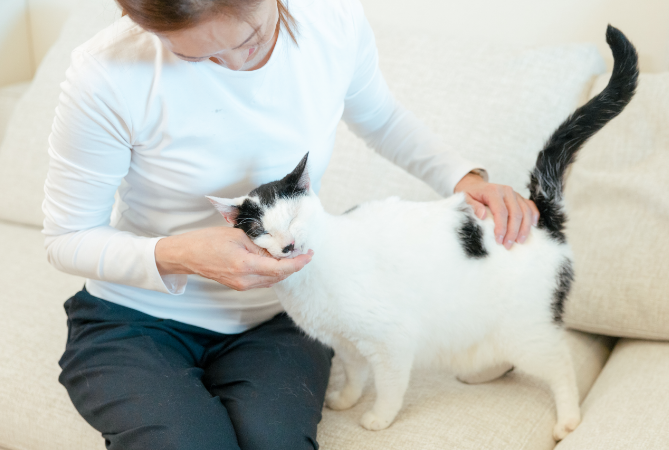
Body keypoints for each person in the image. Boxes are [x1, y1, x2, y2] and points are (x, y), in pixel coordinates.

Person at [43, 0, 540, 448]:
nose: (233, 65)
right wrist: (181, 255)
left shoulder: (331, 18)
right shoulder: (105, 72)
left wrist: (463, 178)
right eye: (196, 57)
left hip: (285, 316)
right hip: (135, 320)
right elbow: (66, 237)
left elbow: (381, 117)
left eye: (250, 39)